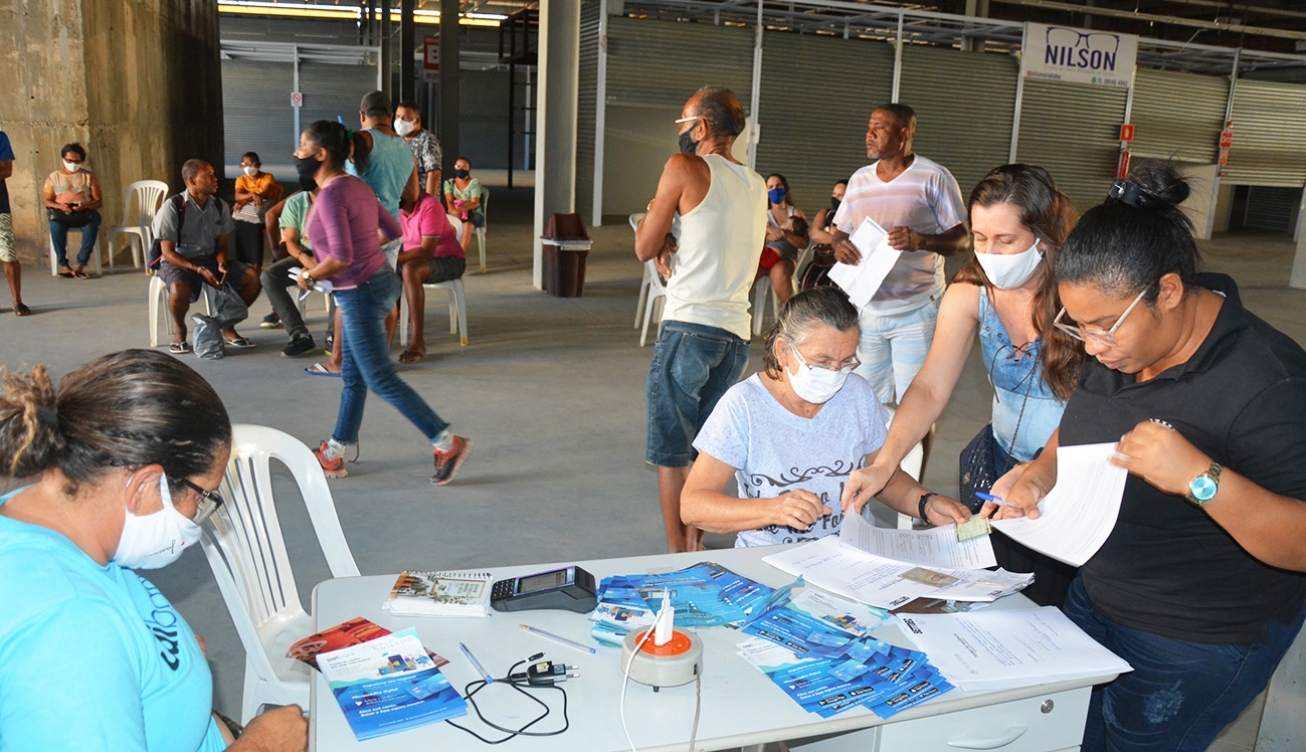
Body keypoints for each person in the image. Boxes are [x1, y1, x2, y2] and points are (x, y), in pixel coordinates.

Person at [995, 162, 1306, 752]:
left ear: (1167, 290)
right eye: (1077, 325)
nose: (1091, 345)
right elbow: (1081, 427)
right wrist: (1038, 474)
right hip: (1094, 597)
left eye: (1104, 327)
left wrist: (1202, 478)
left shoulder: (1270, 382)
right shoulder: (1115, 341)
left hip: (1193, 639)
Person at [0, 349, 308, 751]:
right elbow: (78, 658)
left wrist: (164, 668)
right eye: (203, 497)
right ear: (145, 485)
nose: (199, 513)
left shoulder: (44, 519)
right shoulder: (69, 627)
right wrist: (261, 746)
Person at [841, 164, 1083, 606]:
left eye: (1005, 241)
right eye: (981, 238)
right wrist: (886, 463)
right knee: (997, 585)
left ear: (1044, 238)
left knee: (1060, 597)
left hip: (1072, 464)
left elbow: (1100, 406)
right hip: (1001, 462)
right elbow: (931, 386)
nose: (990, 254)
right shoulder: (971, 289)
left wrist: (1040, 471)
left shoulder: (1082, 295)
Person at [682, 287, 970, 546]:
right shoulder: (744, 406)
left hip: (851, 554)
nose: (835, 373)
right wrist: (772, 509)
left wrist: (926, 504)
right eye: (822, 362)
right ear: (783, 351)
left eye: (846, 361)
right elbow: (694, 506)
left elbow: (883, 477)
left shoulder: (856, 394)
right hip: (770, 560)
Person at [292, 120, 471, 485]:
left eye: (302, 147)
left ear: (321, 154)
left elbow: (340, 258)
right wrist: (363, 251)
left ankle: (446, 441)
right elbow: (394, 232)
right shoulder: (356, 185)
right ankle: (335, 451)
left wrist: (309, 276)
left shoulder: (329, 196)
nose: (297, 154)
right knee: (355, 378)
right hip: (380, 283)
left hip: (357, 292)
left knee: (379, 378)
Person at [634, 85, 767, 553]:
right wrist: (677, 238)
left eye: (684, 124)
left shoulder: (682, 168)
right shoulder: (755, 185)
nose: (682, 133)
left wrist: (660, 220)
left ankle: (679, 553)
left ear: (702, 128)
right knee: (704, 450)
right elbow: (712, 234)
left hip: (688, 327)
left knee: (672, 451)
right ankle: (696, 541)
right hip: (735, 337)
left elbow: (644, 246)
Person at [831, 104, 971, 406]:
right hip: (868, 310)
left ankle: (914, 456)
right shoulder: (859, 180)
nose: (869, 134)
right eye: (869, 126)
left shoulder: (933, 177)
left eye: (879, 127)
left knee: (918, 402)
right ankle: (880, 456)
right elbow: (840, 230)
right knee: (866, 401)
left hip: (917, 312)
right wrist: (839, 245)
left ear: (904, 134)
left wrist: (921, 240)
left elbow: (963, 239)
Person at [306, 90, 419, 378]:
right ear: (391, 116)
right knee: (384, 295)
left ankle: (338, 361)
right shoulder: (407, 149)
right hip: (390, 229)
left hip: (359, 226)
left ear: (362, 115)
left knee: (349, 296)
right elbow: (413, 195)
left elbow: (337, 169)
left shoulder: (362, 139)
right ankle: (381, 362)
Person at [152, 159, 263, 355]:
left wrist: (221, 263)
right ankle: (180, 330)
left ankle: (225, 325)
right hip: (179, 260)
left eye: (213, 174)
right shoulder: (173, 207)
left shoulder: (220, 206)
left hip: (210, 258)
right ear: (192, 181)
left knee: (253, 278)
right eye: (209, 176)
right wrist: (198, 270)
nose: (215, 179)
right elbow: (167, 252)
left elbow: (222, 245)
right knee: (179, 288)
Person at [397, 190, 463, 364]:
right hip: (411, 259)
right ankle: (375, 338)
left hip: (447, 260)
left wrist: (389, 258)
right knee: (376, 271)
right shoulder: (395, 208)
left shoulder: (429, 205)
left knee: (410, 269)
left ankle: (418, 342)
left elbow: (426, 251)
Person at [260, 178, 320, 358]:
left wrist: (315, 267)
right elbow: (291, 242)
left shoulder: (336, 200)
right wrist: (306, 262)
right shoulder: (296, 201)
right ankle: (299, 335)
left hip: (333, 255)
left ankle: (334, 336)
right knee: (269, 276)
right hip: (304, 254)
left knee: (339, 276)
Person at [42, 142, 103, 279]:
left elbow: (99, 201)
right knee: (56, 228)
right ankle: (64, 265)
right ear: (63, 158)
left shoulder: (89, 177)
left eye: (77, 161)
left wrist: (84, 206)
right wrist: (61, 206)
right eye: (69, 161)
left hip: (84, 213)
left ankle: (80, 264)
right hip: (61, 214)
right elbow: (47, 200)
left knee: (91, 227)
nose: (73, 164)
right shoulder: (53, 177)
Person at [755, 173, 808, 306]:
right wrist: (768, 231)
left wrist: (786, 235)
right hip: (764, 258)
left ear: (785, 188)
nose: (775, 189)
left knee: (779, 272)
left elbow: (804, 243)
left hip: (786, 259)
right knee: (748, 273)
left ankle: (787, 312)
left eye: (778, 185)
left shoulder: (795, 214)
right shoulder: (762, 213)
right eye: (771, 187)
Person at [232, 151, 279, 272]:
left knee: (255, 224)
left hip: (263, 207)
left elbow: (266, 192)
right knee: (237, 221)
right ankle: (239, 259)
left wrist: (244, 199)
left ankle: (255, 263)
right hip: (249, 206)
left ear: (258, 165)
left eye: (251, 164)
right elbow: (237, 195)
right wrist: (252, 195)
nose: (248, 167)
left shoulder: (267, 177)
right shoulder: (241, 179)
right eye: (245, 164)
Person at [395, 101, 442, 198]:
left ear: (416, 121)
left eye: (406, 118)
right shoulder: (398, 140)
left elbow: (433, 174)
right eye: (398, 116)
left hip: (422, 202)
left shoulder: (427, 140)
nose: (400, 121)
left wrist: (428, 204)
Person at [0, 124, 24, 315]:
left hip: (0, 209)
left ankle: (17, 300)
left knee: (8, 254)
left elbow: (6, 170)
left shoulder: (1, 138)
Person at [442, 157, 482, 252]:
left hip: (473, 213)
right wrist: (453, 212)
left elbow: (474, 203)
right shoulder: (449, 183)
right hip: (455, 212)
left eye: (464, 167)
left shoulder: (474, 184)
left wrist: (460, 210)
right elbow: (449, 201)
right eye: (458, 166)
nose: (461, 169)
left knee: (467, 226)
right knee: (450, 227)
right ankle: (447, 254)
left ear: (469, 169)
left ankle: (459, 256)